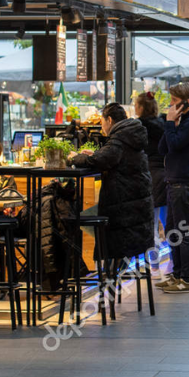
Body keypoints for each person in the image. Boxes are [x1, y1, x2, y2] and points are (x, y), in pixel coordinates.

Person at [68, 103, 155, 274]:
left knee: (77, 218)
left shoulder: (119, 140)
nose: (102, 127)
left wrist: (74, 158)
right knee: (87, 216)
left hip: (124, 217)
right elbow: (110, 158)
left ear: (109, 119)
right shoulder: (130, 136)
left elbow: (99, 161)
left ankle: (107, 274)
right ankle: (111, 272)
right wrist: (96, 155)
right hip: (138, 215)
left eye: (102, 122)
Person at [157, 83, 189, 293]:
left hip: (183, 184)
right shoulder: (182, 121)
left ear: (185, 102)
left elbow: (175, 145)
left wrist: (170, 123)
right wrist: (172, 123)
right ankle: (176, 274)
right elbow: (162, 148)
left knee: (182, 234)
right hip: (173, 182)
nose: (170, 105)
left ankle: (187, 279)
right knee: (171, 232)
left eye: (174, 101)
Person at [134, 92, 169, 272]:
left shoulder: (139, 127)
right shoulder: (163, 124)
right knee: (168, 223)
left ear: (140, 107)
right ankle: (172, 266)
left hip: (149, 176)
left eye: (135, 105)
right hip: (165, 175)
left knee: (152, 225)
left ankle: (154, 266)